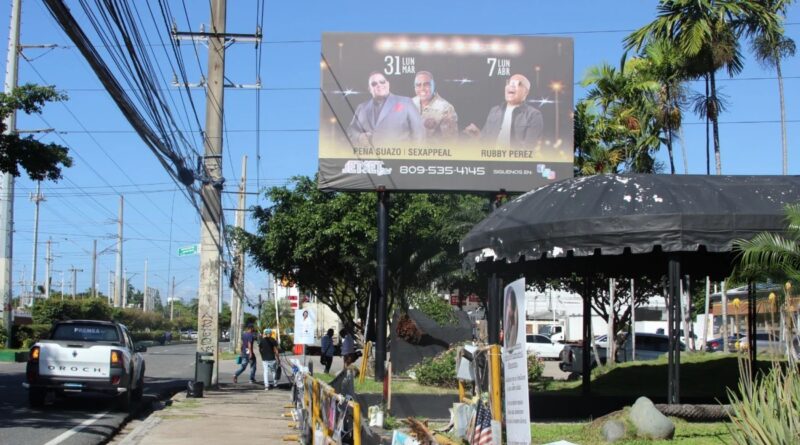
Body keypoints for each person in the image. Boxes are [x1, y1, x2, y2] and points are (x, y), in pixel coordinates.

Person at [346, 71, 424, 147]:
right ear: (369, 89)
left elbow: (419, 132)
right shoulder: (362, 108)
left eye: (382, 82)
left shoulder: (406, 102)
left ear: (388, 84)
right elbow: (351, 130)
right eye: (374, 84)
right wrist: (359, 137)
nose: (379, 85)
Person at [464, 74, 542, 149]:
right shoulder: (494, 111)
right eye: (509, 83)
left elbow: (528, 149)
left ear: (526, 92)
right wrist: (478, 135)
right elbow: (485, 143)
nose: (512, 86)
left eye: (518, 83)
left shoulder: (533, 115)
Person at [411, 71, 458, 142]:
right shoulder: (410, 103)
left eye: (426, 84)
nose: (422, 88)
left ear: (434, 85)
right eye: (418, 85)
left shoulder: (446, 109)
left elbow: (451, 142)